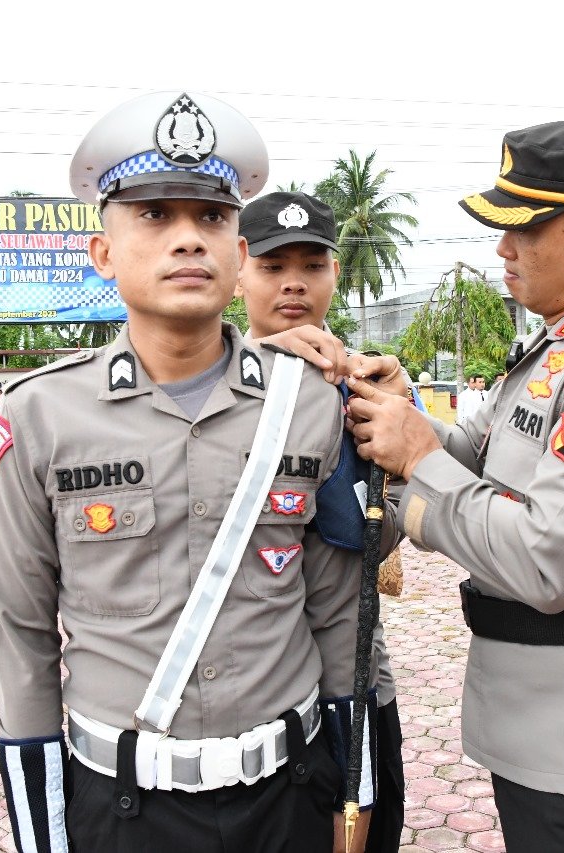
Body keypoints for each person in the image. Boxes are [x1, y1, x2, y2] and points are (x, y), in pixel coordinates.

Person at [0, 90, 364, 853]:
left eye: (212, 218)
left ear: (238, 252)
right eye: (155, 216)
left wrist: (357, 787)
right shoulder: (37, 415)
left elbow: (337, 614)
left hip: (286, 798)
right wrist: (42, 835)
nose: (189, 239)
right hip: (122, 808)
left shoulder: (308, 405)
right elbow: (22, 634)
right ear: (104, 252)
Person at [347, 119, 564, 852]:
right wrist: (406, 415)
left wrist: (417, 459)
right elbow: (481, 464)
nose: (503, 248)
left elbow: (546, 560)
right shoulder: (562, 345)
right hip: (548, 735)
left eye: (524, 228)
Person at [236, 189, 404, 853]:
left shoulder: (366, 383)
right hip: (255, 693)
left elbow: (377, 534)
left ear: (337, 272)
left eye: (313, 264)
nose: (295, 283)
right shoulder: (215, 387)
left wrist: (382, 415)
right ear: (240, 269)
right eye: (275, 266)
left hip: (358, 680)